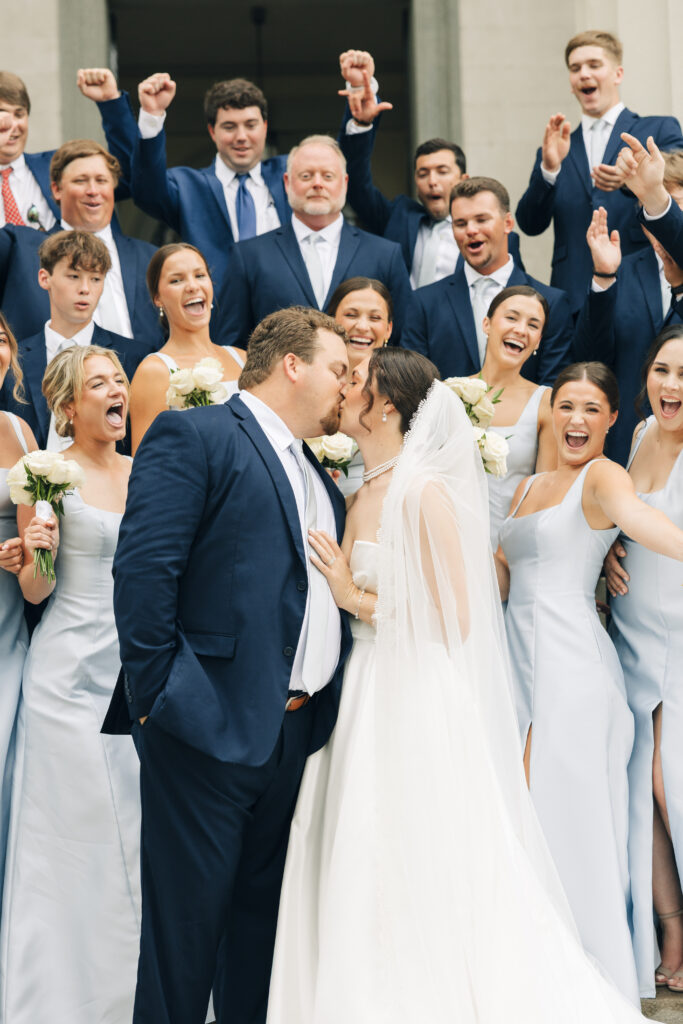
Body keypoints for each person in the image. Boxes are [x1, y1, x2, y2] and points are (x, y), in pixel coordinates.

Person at [266, 347, 661, 1023]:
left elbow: (453, 617)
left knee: (412, 851)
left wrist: (348, 595)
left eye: (355, 381)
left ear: (386, 404)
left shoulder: (424, 492)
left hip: (411, 693)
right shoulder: (358, 488)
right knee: (357, 850)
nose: (343, 389)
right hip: (360, 691)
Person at [102, 307, 353, 1024]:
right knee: (184, 939)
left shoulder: (315, 473)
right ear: (293, 365)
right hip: (203, 726)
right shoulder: (197, 433)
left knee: (258, 939)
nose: (345, 384)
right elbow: (145, 572)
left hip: (293, 734)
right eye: (337, 367)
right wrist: (163, 700)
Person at [496, 361, 683, 1001]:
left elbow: (639, 521)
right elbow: (500, 571)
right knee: (522, 810)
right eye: (565, 407)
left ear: (609, 420)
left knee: (568, 816)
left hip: (574, 670)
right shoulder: (522, 487)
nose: (576, 420)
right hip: (514, 663)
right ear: (551, 415)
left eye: (590, 410)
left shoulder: (604, 477)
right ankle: (526, 954)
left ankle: (580, 966)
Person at [1, 344, 141, 1024]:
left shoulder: (146, 473)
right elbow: (34, 590)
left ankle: (126, 989)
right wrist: (42, 549)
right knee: (72, 832)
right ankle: (56, 996)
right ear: (67, 406)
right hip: (65, 676)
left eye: (119, 380)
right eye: (100, 384)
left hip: (133, 673)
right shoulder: (47, 475)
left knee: (133, 830)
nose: (116, 391)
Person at [604, 325, 683, 997]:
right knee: (641, 787)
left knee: (671, 783)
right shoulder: (633, 438)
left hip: (682, 640)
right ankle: (669, 926)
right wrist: (604, 550)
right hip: (632, 633)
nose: (670, 385)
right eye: (661, 369)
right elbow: (618, 512)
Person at [515, 30, 683, 316]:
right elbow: (530, 224)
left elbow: (677, 188)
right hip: (574, 294)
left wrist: (632, 179)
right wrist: (549, 169)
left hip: (643, 292)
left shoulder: (659, 129)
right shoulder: (557, 147)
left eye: (594, 65)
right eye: (575, 68)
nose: (583, 74)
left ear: (617, 73)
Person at [335, 49, 524, 283]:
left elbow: (514, 293)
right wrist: (362, 123)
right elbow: (354, 185)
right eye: (423, 173)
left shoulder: (493, 235)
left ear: (463, 179)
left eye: (442, 172)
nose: (432, 181)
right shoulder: (398, 216)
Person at [214, 135, 412, 347]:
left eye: (327, 176)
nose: (317, 184)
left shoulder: (385, 254)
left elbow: (405, 340)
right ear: (287, 182)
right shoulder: (249, 256)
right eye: (306, 176)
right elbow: (231, 346)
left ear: (345, 183)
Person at [94, 71, 289, 284]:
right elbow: (147, 190)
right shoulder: (188, 186)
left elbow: (331, 167)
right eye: (229, 127)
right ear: (212, 132)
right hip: (216, 310)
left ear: (265, 127)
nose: (241, 137)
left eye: (250, 125)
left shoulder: (291, 175)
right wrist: (152, 114)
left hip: (284, 307)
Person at [574, 135, 683, 464]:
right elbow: (590, 358)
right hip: (627, 447)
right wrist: (604, 279)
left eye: (675, 204)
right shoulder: (622, 269)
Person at [402, 177, 572, 385]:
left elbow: (552, 388)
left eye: (481, 220)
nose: (471, 230)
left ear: (508, 223)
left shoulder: (552, 303)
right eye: (461, 223)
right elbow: (413, 387)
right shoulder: (424, 303)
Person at [0, 139, 161, 344]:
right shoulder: (21, 248)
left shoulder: (151, 258)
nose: (93, 190)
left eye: (101, 180)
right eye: (80, 181)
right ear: (57, 189)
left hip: (138, 373)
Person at [0, 230, 151, 448]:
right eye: (74, 276)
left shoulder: (135, 357)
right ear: (45, 278)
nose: (85, 289)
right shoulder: (12, 359)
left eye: (96, 279)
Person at [129, 242, 246, 451]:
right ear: (158, 298)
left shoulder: (242, 358)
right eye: (177, 280)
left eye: (200, 275)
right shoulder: (154, 371)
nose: (192, 286)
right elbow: (148, 466)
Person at [0, 68, 137, 231]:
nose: (12, 125)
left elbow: (129, 176)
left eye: (19, 114)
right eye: (2, 115)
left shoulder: (64, 165)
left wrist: (111, 103)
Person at [0, 312, 37, 919]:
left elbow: (42, 531)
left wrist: (33, 553)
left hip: (11, 614)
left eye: (1, 340)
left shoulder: (18, 429)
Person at [474, 285, 557, 548]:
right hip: (449, 548)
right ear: (487, 324)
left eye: (533, 325)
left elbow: (546, 495)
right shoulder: (447, 393)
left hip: (508, 550)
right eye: (511, 318)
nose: (521, 330)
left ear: (538, 341)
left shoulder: (545, 402)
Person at [327, 275, 393, 495]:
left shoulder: (401, 392)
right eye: (351, 315)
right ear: (331, 321)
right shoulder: (306, 383)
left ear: (389, 329)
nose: (362, 326)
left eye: (375, 318)